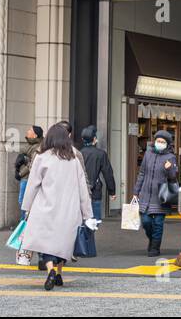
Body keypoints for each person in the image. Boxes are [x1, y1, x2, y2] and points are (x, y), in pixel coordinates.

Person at [20, 122, 96, 290]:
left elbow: (32, 184)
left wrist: (27, 208)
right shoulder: (73, 159)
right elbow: (83, 188)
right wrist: (87, 214)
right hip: (69, 210)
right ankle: (60, 273)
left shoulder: (42, 157)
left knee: (46, 243)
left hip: (45, 207)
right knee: (64, 243)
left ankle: (51, 271)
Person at [133, 129, 179, 257]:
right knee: (146, 221)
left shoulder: (170, 157)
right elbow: (142, 173)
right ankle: (153, 240)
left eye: (163, 142)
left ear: (167, 144)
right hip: (146, 194)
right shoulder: (148, 154)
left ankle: (154, 248)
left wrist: (169, 169)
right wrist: (136, 191)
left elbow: (173, 178)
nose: (160, 143)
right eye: (158, 141)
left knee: (158, 223)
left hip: (161, 195)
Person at [14, 124, 43, 265]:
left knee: (25, 207)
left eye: (30, 131)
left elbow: (32, 164)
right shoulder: (29, 146)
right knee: (23, 205)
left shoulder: (38, 147)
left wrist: (20, 173)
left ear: (35, 135)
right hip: (25, 179)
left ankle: (24, 234)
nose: (27, 132)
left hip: (28, 180)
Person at [79, 126, 115, 222]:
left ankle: (85, 236)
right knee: (95, 220)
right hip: (95, 191)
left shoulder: (78, 153)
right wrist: (112, 192)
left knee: (82, 220)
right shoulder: (100, 154)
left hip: (80, 190)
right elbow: (108, 173)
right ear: (94, 139)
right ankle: (88, 236)